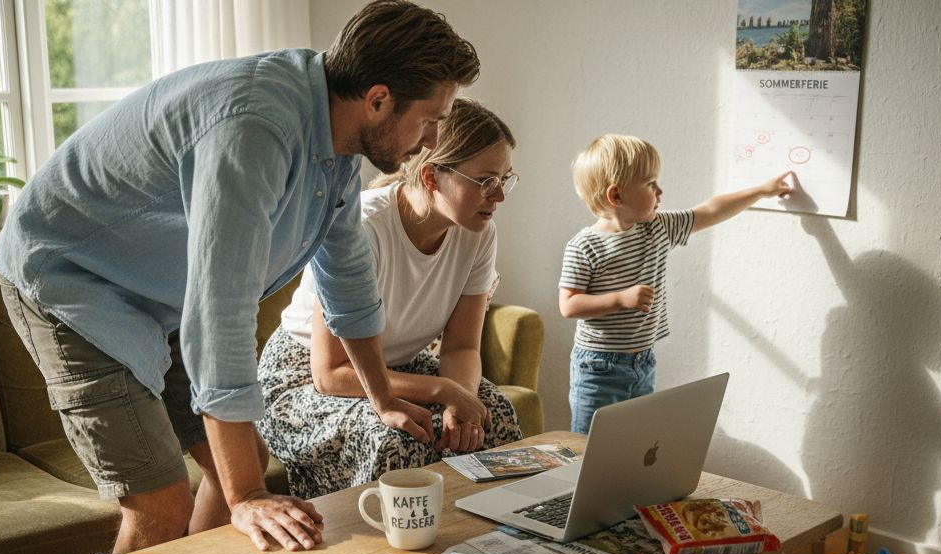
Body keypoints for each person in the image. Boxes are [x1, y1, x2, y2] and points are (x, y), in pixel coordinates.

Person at [0, 1, 479, 554]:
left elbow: (347, 278)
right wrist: (247, 494)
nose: (434, 138)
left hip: (154, 294)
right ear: (378, 100)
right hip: (70, 279)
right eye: (431, 118)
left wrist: (381, 395)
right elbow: (220, 312)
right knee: (161, 503)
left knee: (246, 461)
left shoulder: (336, 135)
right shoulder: (257, 125)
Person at [258, 99, 523, 499]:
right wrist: (443, 391)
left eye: (506, 178)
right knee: (393, 439)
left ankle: (493, 538)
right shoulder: (364, 229)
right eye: (486, 181)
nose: (499, 195)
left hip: (393, 366)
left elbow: (464, 345)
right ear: (432, 177)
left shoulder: (479, 233)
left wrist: (460, 402)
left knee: (492, 414)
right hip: (304, 379)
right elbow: (330, 374)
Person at [559, 133, 793, 433]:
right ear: (616, 196)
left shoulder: (657, 228)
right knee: (589, 447)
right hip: (598, 367)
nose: (660, 191)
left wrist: (761, 191)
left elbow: (709, 210)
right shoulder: (585, 246)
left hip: (643, 361)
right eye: (650, 183)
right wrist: (620, 299)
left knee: (632, 445)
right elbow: (569, 304)